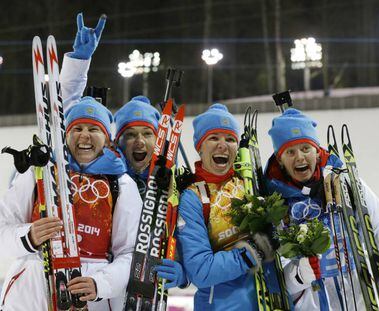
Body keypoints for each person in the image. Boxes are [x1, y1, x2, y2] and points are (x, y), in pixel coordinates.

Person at [59, 12, 187, 291]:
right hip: (103, 284)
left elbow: (187, 235)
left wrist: (184, 269)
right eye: (129, 135)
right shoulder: (109, 175)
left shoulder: (174, 184)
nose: (138, 142)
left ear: (159, 139)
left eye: (146, 134)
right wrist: (78, 63)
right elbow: (65, 117)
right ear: (115, 142)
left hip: (145, 290)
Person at [0, 97, 141, 310]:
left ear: (106, 138)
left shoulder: (120, 183)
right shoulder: (40, 172)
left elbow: (130, 253)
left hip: (88, 294)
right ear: (65, 135)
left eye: (94, 128)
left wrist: (100, 284)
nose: (85, 135)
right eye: (77, 128)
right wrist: (28, 237)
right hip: (31, 290)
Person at [264, 108, 379, 310]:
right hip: (311, 303)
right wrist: (298, 274)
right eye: (290, 152)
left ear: (317, 150)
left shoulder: (346, 182)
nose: (300, 157)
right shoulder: (274, 204)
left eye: (306, 148)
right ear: (279, 159)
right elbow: (274, 280)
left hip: (361, 298)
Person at [176, 103, 278, 310]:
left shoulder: (250, 185)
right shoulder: (194, 197)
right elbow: (201, 272)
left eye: (230, 139)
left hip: (269, 299)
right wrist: (252, 252)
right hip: (221, 304)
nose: (223, 145)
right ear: (200, 147)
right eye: (214, 138)